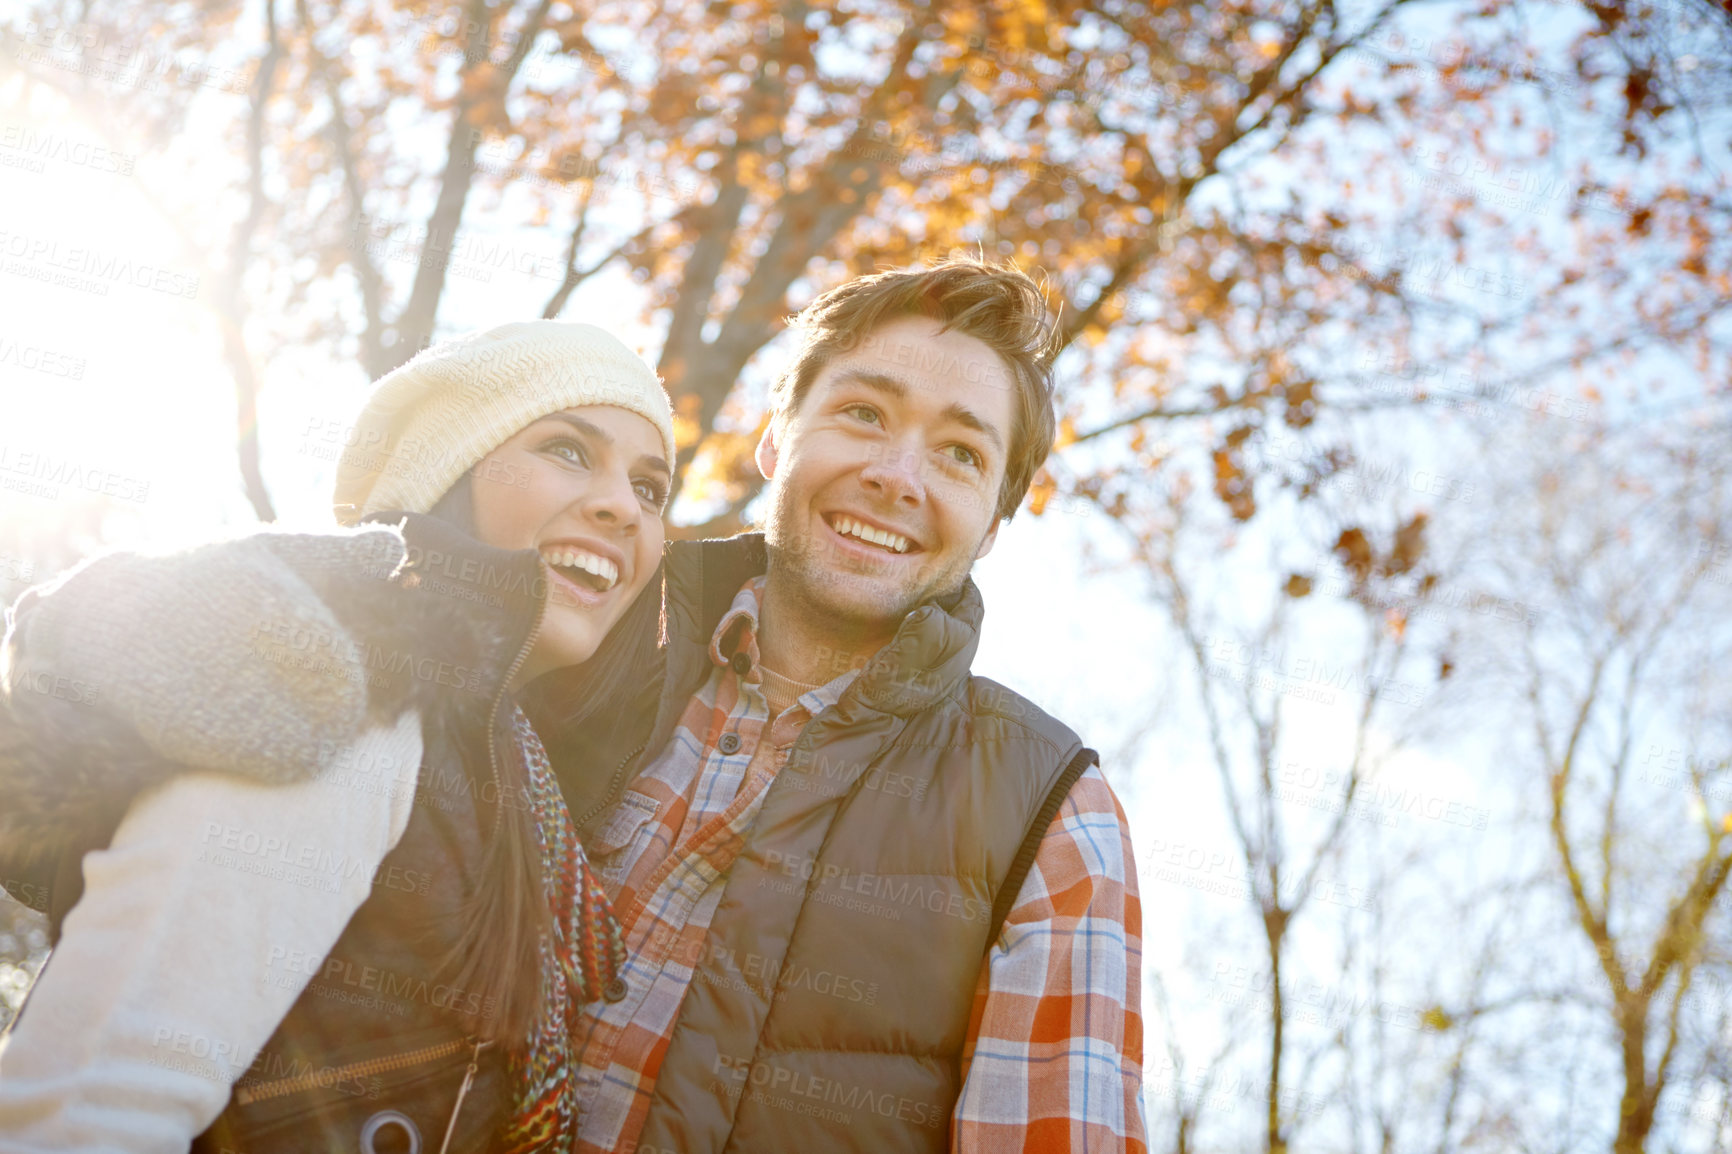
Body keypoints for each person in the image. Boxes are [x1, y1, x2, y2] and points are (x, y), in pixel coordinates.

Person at [5, 257, 1146, 1152]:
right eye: (862, 413)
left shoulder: (1043, 812)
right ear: (773, 440)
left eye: (959, 452)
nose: (899, 472)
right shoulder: (547, 639)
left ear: (994, 519)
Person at [0, 320, 678, 1153]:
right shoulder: (339, 695)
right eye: (570, 450)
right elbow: (90, 1113)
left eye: (651, 490)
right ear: (449, 469)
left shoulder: (498, 763)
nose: (624, 508)